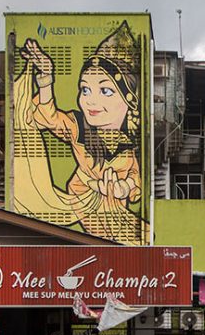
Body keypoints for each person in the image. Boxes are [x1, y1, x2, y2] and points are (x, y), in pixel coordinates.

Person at [13, 28, 144, 242]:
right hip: (80, 201)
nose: (90, 101)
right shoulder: (78, 126)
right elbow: (48, 117)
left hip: (118, 214)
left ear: (128, 100)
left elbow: (134, 177)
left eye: (105, 91)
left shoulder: (130, 142)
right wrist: (46, 79)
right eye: (85, 90)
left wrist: (123, 188)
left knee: (140, 242)